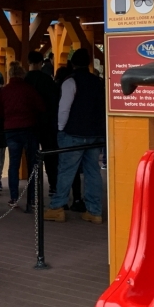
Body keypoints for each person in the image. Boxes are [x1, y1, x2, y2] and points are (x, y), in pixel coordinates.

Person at [45, 49, 106, 223]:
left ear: (72, 63)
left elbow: (64, 108)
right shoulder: (98, 82)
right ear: (88, 63)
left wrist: (60, 129)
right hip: (95, 133)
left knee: (66, 171)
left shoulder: (70, 82)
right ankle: (94, 211)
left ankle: (57, 207)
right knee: (93, 171)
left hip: (73, 133)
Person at [0, 61, 45, 209]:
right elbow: (41, 107)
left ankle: (14, 197)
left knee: (13, 164)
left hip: (11, 130)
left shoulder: (4, 91)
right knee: (32, 164)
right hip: (29, 129)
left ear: (10, 74)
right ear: (22, 74)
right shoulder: (28, 89)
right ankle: (32, 199)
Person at [25, 50, 60, 205]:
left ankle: (32, 189)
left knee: (31, 157)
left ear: (28, 62)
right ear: (40, 63)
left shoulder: (24, 80)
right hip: (46, 123)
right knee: (51, 155)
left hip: (29, 123)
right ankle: (53, 185)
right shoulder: (47, 80)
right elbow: (54, 102)